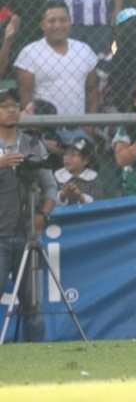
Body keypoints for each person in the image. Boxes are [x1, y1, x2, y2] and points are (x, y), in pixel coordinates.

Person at [0, 87, 57, 343]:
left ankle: (36, 358)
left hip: (27, 235)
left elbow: (50, 186)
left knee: (32, 304)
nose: (11, 110)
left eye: (15, 105)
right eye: (5, 105)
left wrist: (43, 215)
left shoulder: (33, 143)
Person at [14, 0, 99, 118]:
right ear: (42, 25)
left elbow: (93, 92)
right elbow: (25, 97)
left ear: (70, 22)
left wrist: (89, 127)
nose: (57, 25)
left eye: (63, 20)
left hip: (79, 126)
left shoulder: (84, 50)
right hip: (44, 127)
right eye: (51, 21)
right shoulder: (30, 53)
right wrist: (35, 128)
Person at [55, 135, 102, 204]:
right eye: (65, 154)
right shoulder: (57, 176)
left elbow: (97, 203)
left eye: (73, 155)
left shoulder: (93, 179)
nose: (68, 158)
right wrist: (62, 195)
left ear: (86, 160)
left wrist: (80, 196)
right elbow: (50, 201)